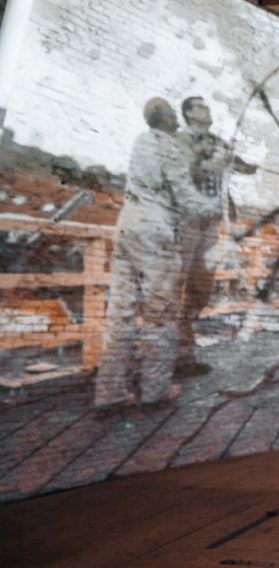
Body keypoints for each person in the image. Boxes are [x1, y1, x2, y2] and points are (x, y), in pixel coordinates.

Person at [94, 98, 211, 408]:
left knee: (120, 311)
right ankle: (155, 389)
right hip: (155, 228)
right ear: (168, 119)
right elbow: (186, 196)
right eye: (174, 114)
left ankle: (110, 393)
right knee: (160, 313)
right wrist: (213, 208)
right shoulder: (170, 148)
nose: (177, 119)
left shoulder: (140, 141)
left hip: (127, 224)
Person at [173, 96, 255, 378]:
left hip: (209, 224)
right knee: (175, 285)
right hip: (185, 221)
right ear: (187, 114)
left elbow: (243, 167)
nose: (206, 109)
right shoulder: (180, 142)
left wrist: (247, 162)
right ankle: (165, 358)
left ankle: (184, 355)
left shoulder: (218, 142)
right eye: (198, 106)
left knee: (200, 287)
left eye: (206, 106)